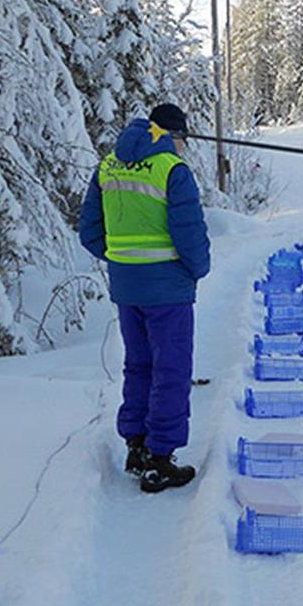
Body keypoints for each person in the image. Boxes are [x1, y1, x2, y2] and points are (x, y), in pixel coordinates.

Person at [79, 103, 210, 493]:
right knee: (170, 369)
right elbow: (190, 233)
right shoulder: (172, 170)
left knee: (139, 365)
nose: (183, 148)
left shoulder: (107, 167)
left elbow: (89, 231)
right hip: (167, 287)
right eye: (183, 140)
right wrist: (194, 270)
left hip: (126, 286)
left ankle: (135, 446)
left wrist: (123, 260)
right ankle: (159, 460)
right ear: (172, 136)